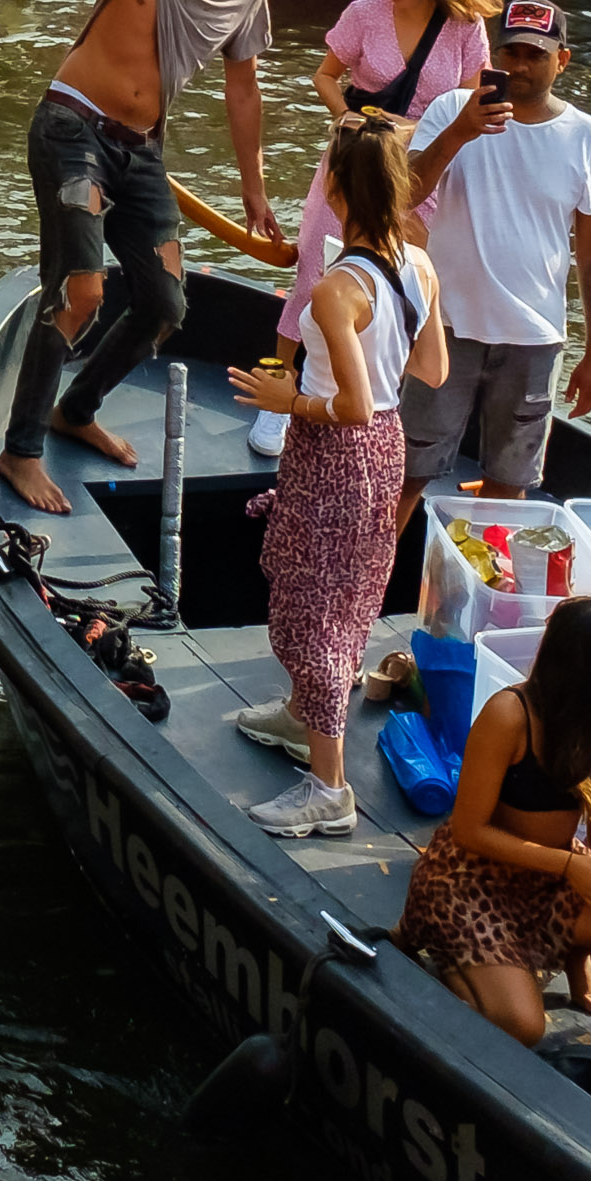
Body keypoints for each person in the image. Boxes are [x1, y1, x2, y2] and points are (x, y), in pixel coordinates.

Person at [0, 0, 275, 514]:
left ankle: (76, 408)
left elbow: (244, 93)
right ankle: (21, 450)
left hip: (142, 153)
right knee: (81, 291)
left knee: (166, 304)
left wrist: (254, 189)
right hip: (71, 129)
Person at [227, 112, 446, 836]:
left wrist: (288, 399)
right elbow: (433, 369)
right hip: (389, 447)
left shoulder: (337, 290)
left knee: (316, 608)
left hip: (339, 451)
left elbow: (347, 406)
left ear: (339, 192)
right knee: (342, 589)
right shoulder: (419, 267)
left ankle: (330, 786)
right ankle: (299, 717)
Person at [259, 0, 497, 462]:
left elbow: (462, 106)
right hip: (355, 155)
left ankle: (372, 394)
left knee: (398, 274)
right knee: (315, 270)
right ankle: (277, 401)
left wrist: (406, 130)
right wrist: (348, 119)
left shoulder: (464, 27)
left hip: (420, 165)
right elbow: (324, 76)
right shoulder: (364, 13)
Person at [395, 595, 591, 1040]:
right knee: (521, 1027)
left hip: (554, 876)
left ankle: (570, 956)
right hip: (472, 879)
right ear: (584, 671)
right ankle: (448, 956)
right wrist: (571, 866)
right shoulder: (509, 715)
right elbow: (469, 830)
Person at [399, 0, 591, 515]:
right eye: (510, 52)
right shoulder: (453, 109)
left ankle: (491, 589)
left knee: (509, 485)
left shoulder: (587, 137)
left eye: (534, 54)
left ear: (561, 61)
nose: (518, 65)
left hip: (533, 339)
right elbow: (403, 194)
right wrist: (459, 133)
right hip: (445, 326)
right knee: (407, 473)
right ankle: (369, 588)